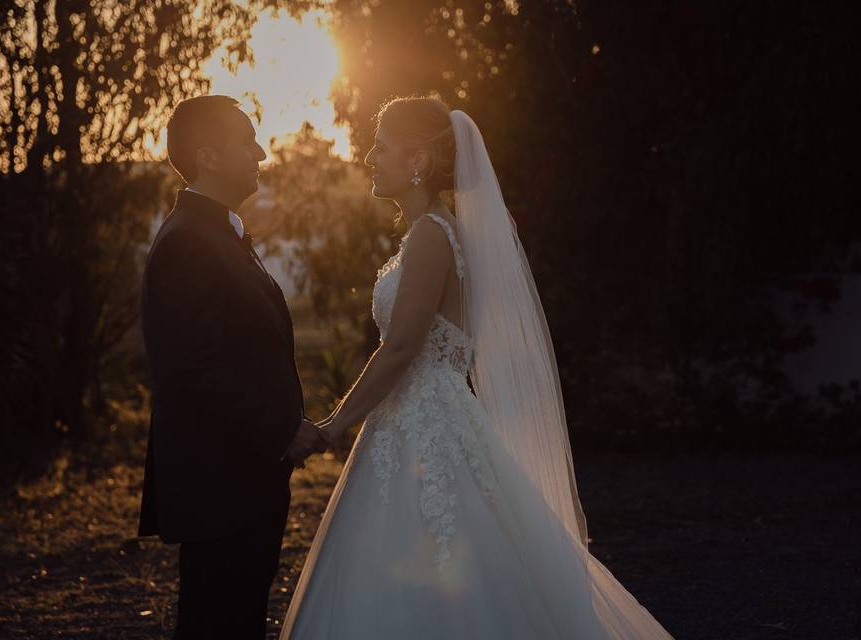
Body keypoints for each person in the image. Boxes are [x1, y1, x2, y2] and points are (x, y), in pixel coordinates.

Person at [280, 96, 676, 639]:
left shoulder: (430, 237)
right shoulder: (430, 233)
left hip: (427, 424)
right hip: (416, 419)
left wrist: (331, 428)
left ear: (417, 160)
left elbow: (400, 349)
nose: (369, 156)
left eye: (381, 146)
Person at [137, 95, 327, 639]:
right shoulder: (188, 244)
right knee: (216, 625)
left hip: (244, 483)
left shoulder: (217, 234)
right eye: (247, 142)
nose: (262, 153)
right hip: (220, 488)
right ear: (208, 156)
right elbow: (192, 374)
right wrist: (282, 430)